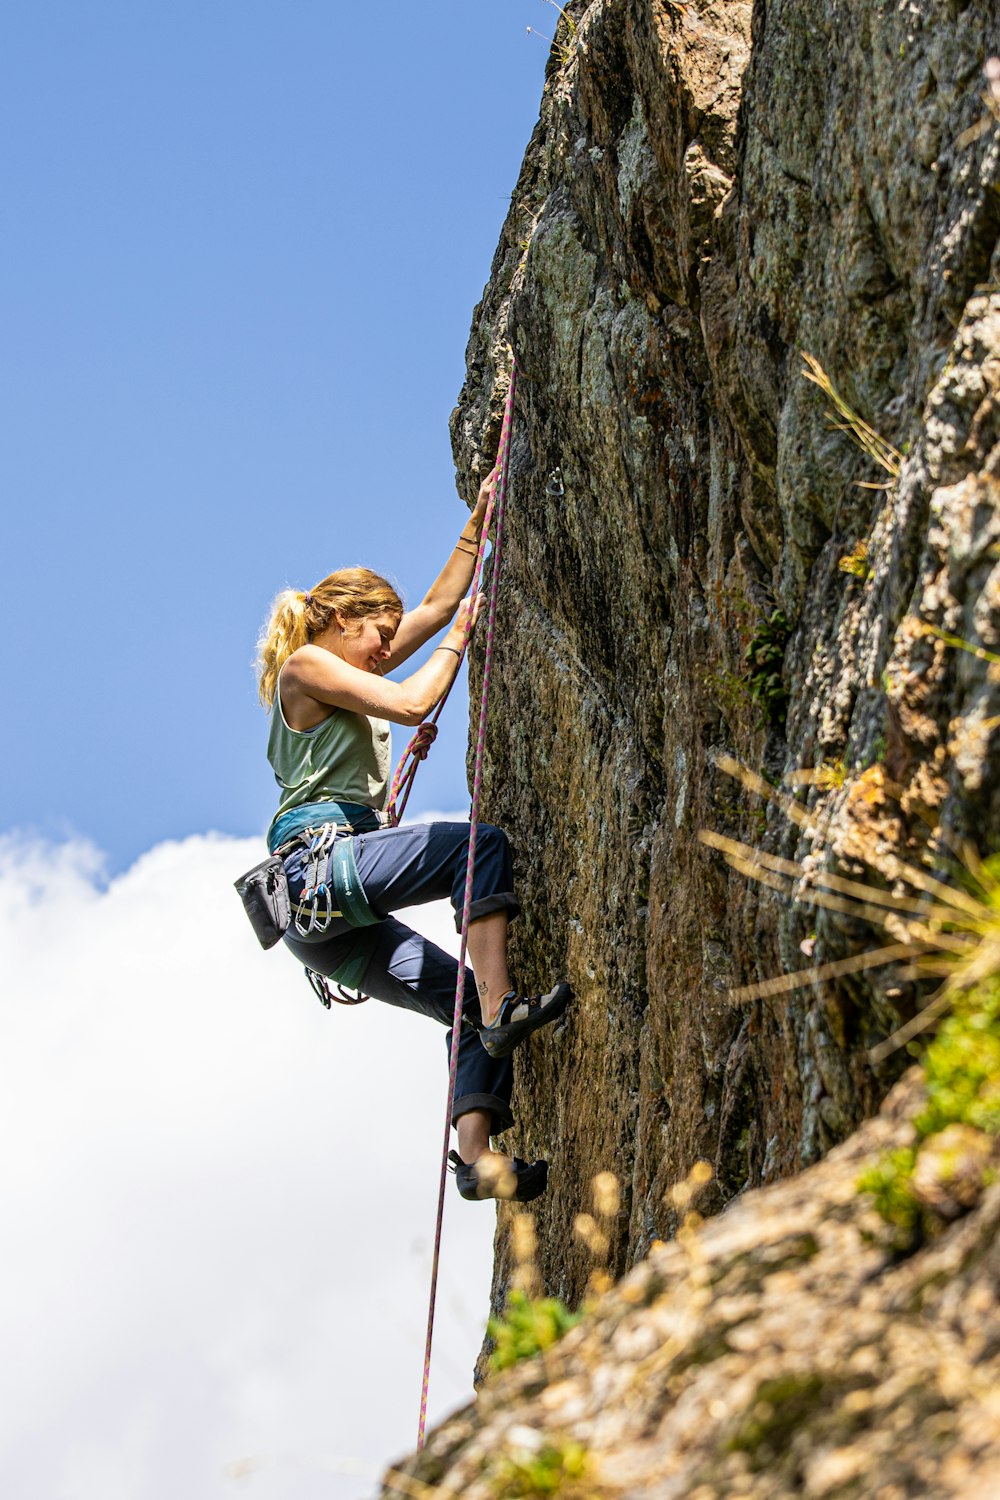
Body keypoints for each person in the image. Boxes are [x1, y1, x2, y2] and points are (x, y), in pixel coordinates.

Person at [255, 467, 571, 1201]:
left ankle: (476, 1157)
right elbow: (411, 699)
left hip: (321, 917)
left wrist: (479, 520)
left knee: (452, 1002)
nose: (384, 648)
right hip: (314, 873)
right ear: (341, 621)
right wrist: (459, 641)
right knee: (478, 845)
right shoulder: (308, 666)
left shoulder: (339, 672)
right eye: (377, 635)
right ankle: (502, 1009)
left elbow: (436, 604)